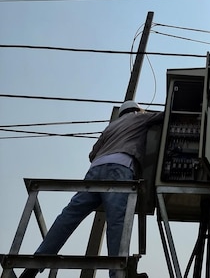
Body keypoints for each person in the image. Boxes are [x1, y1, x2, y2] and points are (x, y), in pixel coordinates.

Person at [19, 100, 163, 278]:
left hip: (94, 172)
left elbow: (92, 154)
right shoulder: (140, 118)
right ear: (136, 109)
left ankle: (36, 262)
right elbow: (164, 116)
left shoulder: (110, 127)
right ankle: (117, 273)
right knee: (117, 222)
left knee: (69, 216)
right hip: (120, 168)